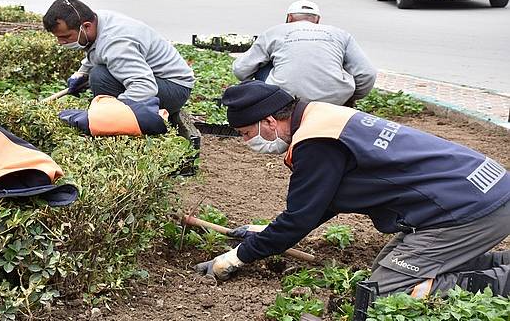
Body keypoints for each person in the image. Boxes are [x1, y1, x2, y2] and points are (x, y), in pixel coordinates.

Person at [194, 80, 510, 298]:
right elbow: (322, 203)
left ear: (269, 121)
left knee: (385, 295)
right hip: (482, 190)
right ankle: (500, 265)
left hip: (470, 210)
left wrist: (237, 258)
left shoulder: (316, 143)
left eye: (247, 133)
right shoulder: (320, 116)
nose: (248, 142)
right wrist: (266, 233)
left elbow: (300, 218)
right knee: (387, 270)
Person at [42, 0, 195, 117]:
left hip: (174, 89)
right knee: (97, 73)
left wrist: (111, 111)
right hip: (159, 80)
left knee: (99, 76)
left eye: (66, 36)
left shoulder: (116, 42)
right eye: (58, 37)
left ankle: (118, 124)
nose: (61, 42)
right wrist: (82, 73)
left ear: (86, 26)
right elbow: (97, 51)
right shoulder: (98, 20)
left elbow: (145, 87)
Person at [232, 0, 377, 107]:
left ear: (289, 18)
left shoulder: (274, 32)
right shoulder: (341, 34)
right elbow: (367, 73)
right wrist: (349, 97)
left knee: (264, 63)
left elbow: (241, 69)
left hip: (285, 98)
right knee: (340, 62)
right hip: (335, 100)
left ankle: (274, 106)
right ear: (318, 20)